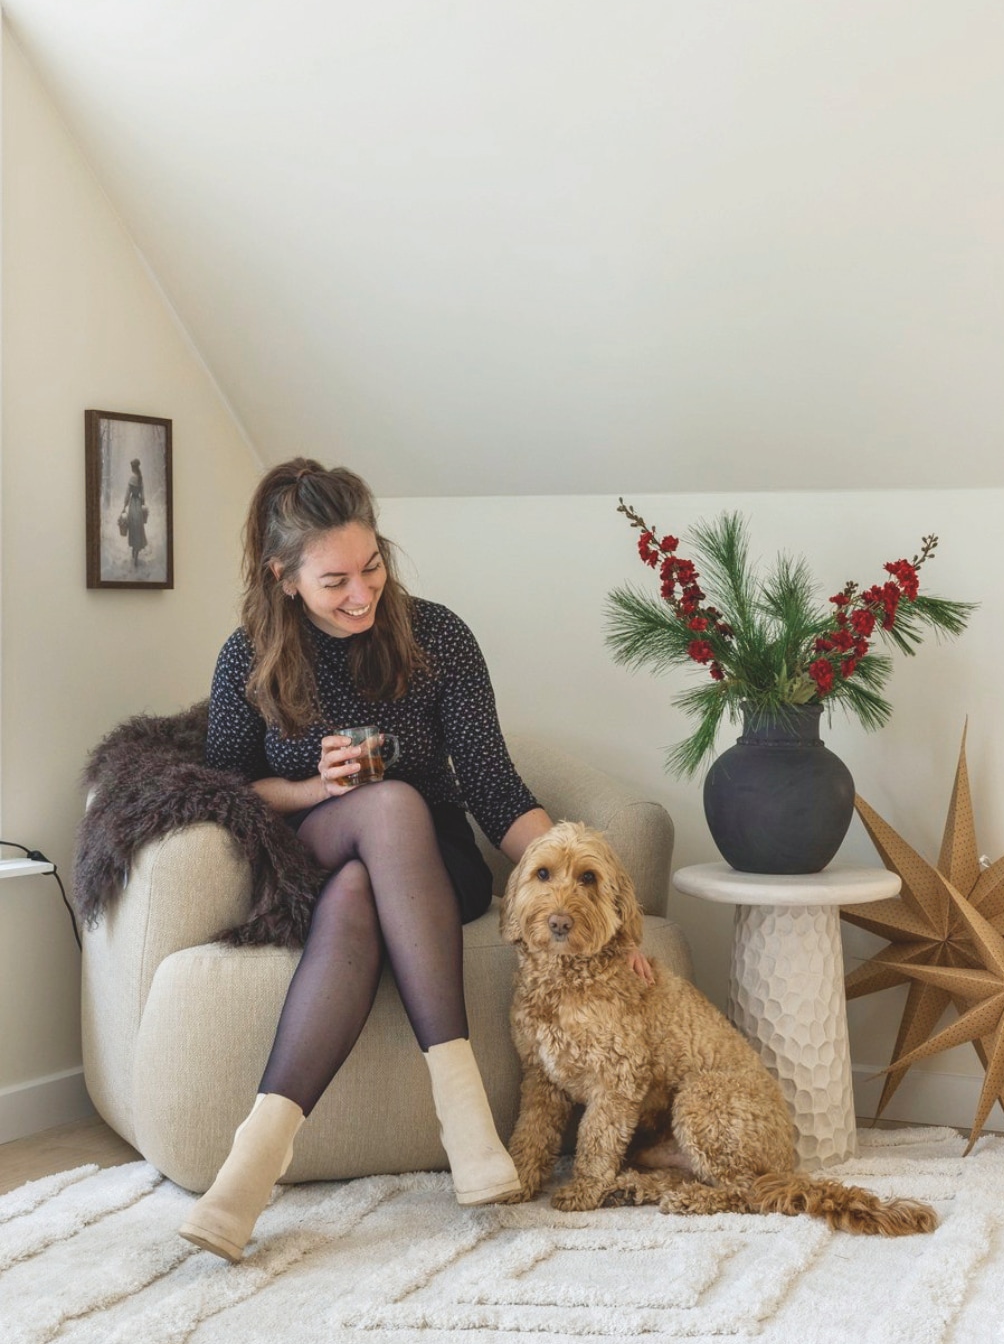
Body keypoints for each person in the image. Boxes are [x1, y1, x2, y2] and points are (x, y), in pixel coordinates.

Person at [179, 458, 652, 1262]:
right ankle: (462, 1110)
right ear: (284, 577)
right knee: (379, 809)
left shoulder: (437, 635)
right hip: (310, 849)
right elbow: (227, 788)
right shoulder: (247, 654)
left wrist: (599, 901)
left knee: (386, 838)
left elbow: (495, 787)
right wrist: (312, 787)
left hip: (429, 865)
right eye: (334, 581)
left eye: (372, 567)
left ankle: (253, 1165)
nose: (361, 593)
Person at [123, 457, 147, 567]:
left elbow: (127, 495)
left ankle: (134, 551)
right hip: (138, 505)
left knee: (133, 527)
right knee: (139, 528)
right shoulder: (141, 478)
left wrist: (124, 506)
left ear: (133, 467)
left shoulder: (132, 478)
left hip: (133, 504)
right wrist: (142, 504)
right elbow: (143, 497)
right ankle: (136, 553)